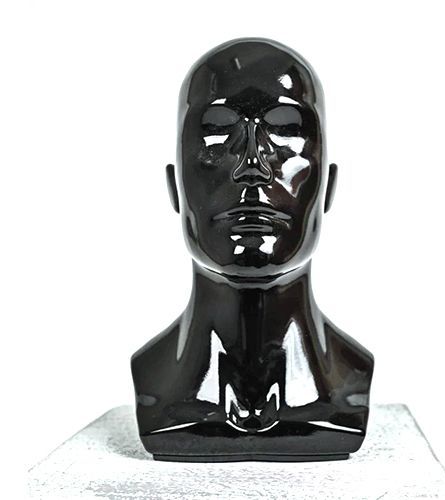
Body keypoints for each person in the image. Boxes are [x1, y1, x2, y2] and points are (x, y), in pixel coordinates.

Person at [131, 38, 374, 461]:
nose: (252, 166)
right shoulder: (151, 379)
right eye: (216, 132)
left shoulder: (353, 381)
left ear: (328, 186)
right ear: (175, 187)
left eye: (287, 131)